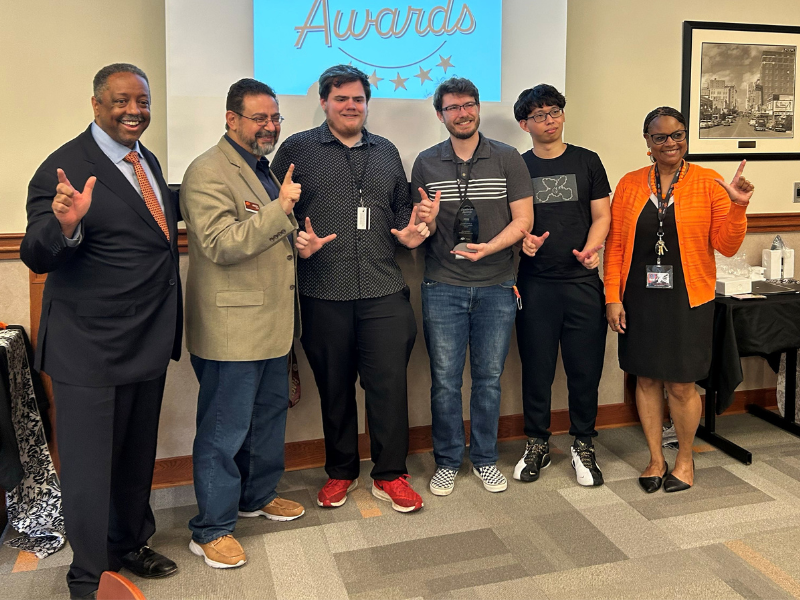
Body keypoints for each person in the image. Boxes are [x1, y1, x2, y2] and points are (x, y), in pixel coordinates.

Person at [20, 63, 181, 599]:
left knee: (135, 455)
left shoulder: (145, 159)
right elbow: (35, 251)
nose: (134, 111)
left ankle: (129, 543)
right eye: (121, 101)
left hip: (146, 337)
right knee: (89, 469)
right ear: (96, 105)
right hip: (89, 347)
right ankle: (88, 576)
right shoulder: (65, 167)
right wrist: (64, 226)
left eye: (142, 101)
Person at [271, 65, 429, 513]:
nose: (350, 106)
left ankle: (390, 474)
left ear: (366, 103)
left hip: (383, 288)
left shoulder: (387, 151)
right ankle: (340, 471)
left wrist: (413, 230)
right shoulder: (296, 149)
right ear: (324, 102)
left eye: (358, 99)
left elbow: (401, 209)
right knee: (334, 389)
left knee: (389, 388)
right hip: (323, 291)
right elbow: (271, 210)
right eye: (340, 98)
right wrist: (294, 239)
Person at [180, 79, 305, 569]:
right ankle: (210, 529)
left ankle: (256, 496)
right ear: (231, 119)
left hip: (271, 324)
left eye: (275, 118)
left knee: (267, 419)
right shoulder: (207, 171)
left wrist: (298, 240)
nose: (270, 127)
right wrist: (281, 210)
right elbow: (220, 244)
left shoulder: (261, 168)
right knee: (223, 430)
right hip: (231, 329)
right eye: (259, 118)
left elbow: (266, 237)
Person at [604, 107, 753, 493]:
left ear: (685, 137)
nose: (670, 143)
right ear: (648, 142)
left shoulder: (708, 182)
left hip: (689, 298)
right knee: (646, 378)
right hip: (639, 297)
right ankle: (656, 458)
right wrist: (612, 297)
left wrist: (738, 205)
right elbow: (615, 245)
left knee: (682, 385)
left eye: (677, 135)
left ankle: (685, 459)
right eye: (660, 137)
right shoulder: (630, 183)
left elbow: (727, 246)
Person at [412, 77, 533, 496]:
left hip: (497, 285)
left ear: (478, 108)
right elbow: (422, 228)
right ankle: (447, 460)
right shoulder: (426, 162)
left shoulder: (507, 157)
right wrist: (426, 222)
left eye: (468, 105)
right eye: (452, 107)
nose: (462, 114)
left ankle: (484, 458)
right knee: (445, 380)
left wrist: (489, 249)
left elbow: (524, 220)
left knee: (488, 378)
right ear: (440, 114)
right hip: (442, 286)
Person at [511, 84, 611, 487]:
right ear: (525, 124)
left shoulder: (588, 161)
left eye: (554, 111)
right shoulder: (517, 166)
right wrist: (523, 243)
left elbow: (602, 216)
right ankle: (537, 442)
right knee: (536, 370)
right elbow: (511, 222)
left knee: (584, 370)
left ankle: (583, 442)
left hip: (582, 282)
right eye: (539, 115)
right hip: (535, 284)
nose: (549, 120)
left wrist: (591, 248)